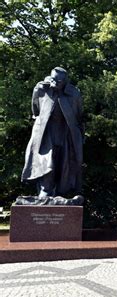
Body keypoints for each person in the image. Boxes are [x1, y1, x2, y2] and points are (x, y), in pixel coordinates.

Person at [21, 67, 84, 198]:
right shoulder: (41, 89)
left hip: (66, 132)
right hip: (45, 132)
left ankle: (62, 191)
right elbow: (35, 110)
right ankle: (46, 188)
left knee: (64, 161)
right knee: (46, 160)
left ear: (65, 81)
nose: (56, 83)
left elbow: (78, 115)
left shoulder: (74, 93)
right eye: (54, 79)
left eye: (60, 80)